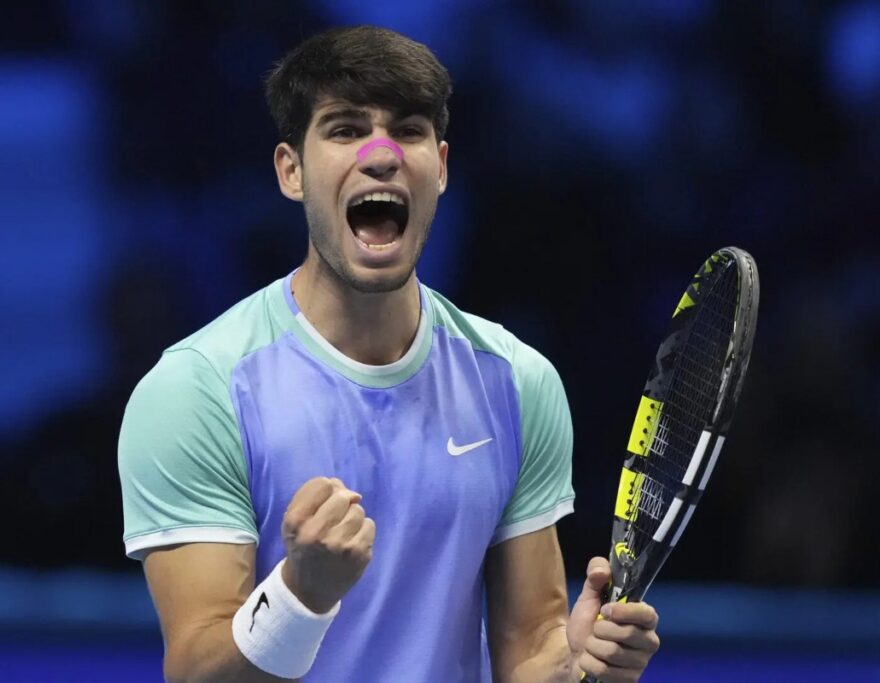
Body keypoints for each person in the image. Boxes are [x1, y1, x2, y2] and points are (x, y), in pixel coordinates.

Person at [118, 25, 660, 683]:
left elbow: (531, 648)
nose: (381, 155)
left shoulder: (518, 381)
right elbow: (197, 672)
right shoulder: (197, 390)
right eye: (345, 130)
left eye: (406, 131)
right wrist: (300, 595)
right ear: (291, 170)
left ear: (442, 165)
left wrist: (581, 668)